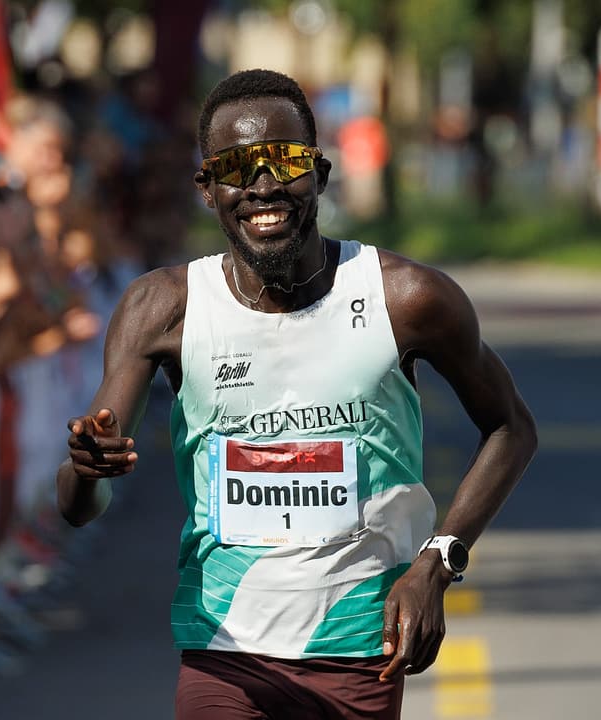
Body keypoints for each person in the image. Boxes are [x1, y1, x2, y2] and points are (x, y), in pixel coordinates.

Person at [56, 69, 537, 720]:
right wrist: (88, 471)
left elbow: (511, 428)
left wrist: (436, 563)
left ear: (320, 173)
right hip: (223, 650)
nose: (262, 185)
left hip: (360, 651)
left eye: (283, 160)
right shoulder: (162, 308)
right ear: (207, 188)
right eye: (236, 165)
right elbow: (81, 504)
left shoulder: (406, 298)